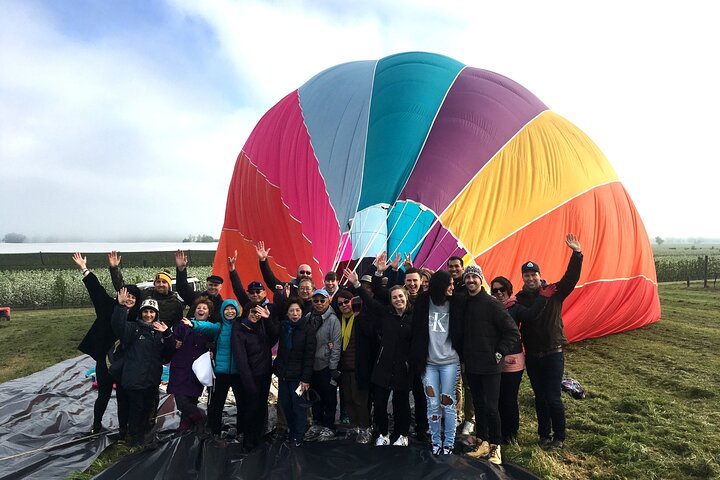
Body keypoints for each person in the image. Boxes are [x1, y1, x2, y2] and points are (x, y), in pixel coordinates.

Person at [516, 234, 583, 450]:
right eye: (526, 275)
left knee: (553, 397)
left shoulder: (554, 291)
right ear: (523, 278)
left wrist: (577, 254)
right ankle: (543, 434)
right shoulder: (520, 298)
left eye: (533, 274)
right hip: (533, 355)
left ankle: (559, 437)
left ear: (539, 275)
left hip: (553, 353)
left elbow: (571, 278)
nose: (530, 279)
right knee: (540, 397)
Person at [73, 252, 140, 436]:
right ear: (121, 295)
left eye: (134, 298)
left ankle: (123, 429)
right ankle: (96, 424)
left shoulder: (137, 318)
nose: (130, 300)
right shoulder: (108, 307)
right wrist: (84, 269)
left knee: (122, 397)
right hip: (105, 361)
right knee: (103, 395)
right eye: (128, 296)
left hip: (125, 363)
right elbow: (96, 289)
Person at [346, 268, 413, 447]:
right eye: (394, 297)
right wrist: (357, 284)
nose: (398, 300)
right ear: (390, 301)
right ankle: (383, 433)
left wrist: (411, 363)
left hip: (402, 368)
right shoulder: (385, 314)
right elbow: (369, 299)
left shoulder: (413, 319)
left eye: (401, 296)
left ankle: (402, 435)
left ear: (406, 297)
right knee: (381, 403)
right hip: (383, 365)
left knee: (401, 404)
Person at [461, 265, 520, 465]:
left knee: (491, 407)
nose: (471, 280)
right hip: (472, 364)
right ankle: (483, 441)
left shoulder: (492, 304)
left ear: (480, 280)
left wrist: (500, 351)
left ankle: (496, 446)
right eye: (467, 277)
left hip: (490, 365)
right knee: (478, 405)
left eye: (474, 277)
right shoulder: (465, 303)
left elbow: (512, 331)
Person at [490, 276, 555, 444]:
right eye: (495, 291)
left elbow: (532, 315)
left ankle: (511, 434)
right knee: (497, 397)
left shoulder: (516, 308)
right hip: (495, 359)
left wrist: (543, 297)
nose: (498, 293)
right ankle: (499, 432)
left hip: (513, 359)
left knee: (510, 398)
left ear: (508, 290)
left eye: (502, 290)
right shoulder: (491, 308)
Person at [410, 270, 464, 455]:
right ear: (440, 285)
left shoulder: (457, 302)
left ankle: (448, 443)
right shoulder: (423, 301)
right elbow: (416, 330)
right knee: (432, 404)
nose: (452, 287)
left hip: (450, 361)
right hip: (429, 363)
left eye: (453, 284)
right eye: (448, 284)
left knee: (447, 403)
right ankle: (435, 441)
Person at [111, 289, 174, 447]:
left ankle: (146, 436)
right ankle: (134, 439)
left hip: (152, 380)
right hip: (135, 379)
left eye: (152, 312)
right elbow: (118, 326)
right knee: (136, 410)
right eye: (145, 311)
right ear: (141, 313)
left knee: (149, 410)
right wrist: (120, 307)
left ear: (156, 314)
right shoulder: (132, 329)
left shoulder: (159, 332)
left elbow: (169, 353)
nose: (148, 315)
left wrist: (167, 335)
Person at [181, 299, 243, 437]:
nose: (230, 312)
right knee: (216, 404)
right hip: (220, 372)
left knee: (242, 404)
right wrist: (193, 324)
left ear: (237, 311)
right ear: (222, 311)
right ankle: (214, 431)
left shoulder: (241, 326)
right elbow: (205, 326)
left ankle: (241, 431)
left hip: (238, 372)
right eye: (226, 309)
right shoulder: (218, 327)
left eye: (232, 309)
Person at [231, 301, 276, 451]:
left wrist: (267, 318)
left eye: (258, 312)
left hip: (264, 374)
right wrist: (248, 382)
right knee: (250, 408)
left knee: (261, 407)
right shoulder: (240, 329)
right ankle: (248, 439)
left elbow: (275, 336)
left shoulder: (262, 326)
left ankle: (258, 436)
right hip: (251, 376)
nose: (256, 315)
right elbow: (241, 359)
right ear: (246, 313)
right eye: (253, 312)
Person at [272, 296, 317, 447]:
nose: (295, 313)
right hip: (284, 376)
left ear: (302, 312)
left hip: (299, 379)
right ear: (287, 313)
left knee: (299, 407)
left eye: (297, 310)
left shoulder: (308, 330)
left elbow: (309, 356)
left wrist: (305, 379)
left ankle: (299, 435)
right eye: (291, 311)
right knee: (286, 405)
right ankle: (292, 431)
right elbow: (272, 331)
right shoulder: (285, 327)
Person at [167, 298, 214, 434]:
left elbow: (216, 342)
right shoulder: (183, 325)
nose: (201, 310)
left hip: (198, 369)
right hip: (181, 366)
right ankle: (200, 418)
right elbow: (172, 340)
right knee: (181, 400)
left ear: (209, 313)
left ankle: (186, 426)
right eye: (199, 307)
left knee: (192, 399)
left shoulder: (210, 329)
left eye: (205, 308)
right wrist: (174, 341)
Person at [334, 289, 374, 444]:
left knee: (360, 401)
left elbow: (370, 334)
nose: (344, 305)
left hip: (360, 368)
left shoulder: (361, 317)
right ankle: (354, 426)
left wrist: (359, 316)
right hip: (344, 368)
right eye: (340, 303)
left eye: (346, 301)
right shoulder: (339, 320)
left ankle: (365, 428)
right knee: (348, 399)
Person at [303, 289, 342, 442]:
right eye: (316, 300)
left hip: (326, 365)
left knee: (329, 397)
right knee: (314, 396)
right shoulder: (308, 317)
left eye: (322, 300)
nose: (319, 303)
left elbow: (337, 344)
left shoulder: (333, 320)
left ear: (328, 301)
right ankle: (317, 423)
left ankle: (329, 425)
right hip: (311, 365)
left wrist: (333, 366)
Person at [109, 251, 184, 328]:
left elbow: (177, 326)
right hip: (141, 334)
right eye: (158, 282)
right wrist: (114, 268)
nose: (161, 284)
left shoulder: (175, 303)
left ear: (169, 284)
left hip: (162, 336)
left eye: (164, 282)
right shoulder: (145, 294)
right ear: (154, 284)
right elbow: (124, 289)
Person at [175, 249, 224, 321]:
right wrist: (181, 270)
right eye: (210, 285)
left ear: (220, 287)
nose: (212, 287)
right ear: (206, 285)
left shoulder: (222, 305)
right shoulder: (196, 298)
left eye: (215, 285)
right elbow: (182, 287)